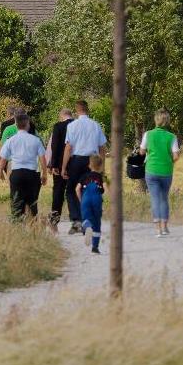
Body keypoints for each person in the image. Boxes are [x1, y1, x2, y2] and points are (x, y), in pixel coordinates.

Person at [61, 101, 107, 235]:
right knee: (89, 190)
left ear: (76, 111)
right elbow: (102, 148)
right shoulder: (96, 125)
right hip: (92, 160)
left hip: (77, 160)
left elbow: (68, 147)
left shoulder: (72, 125)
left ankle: (76, 220)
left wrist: (64, 167)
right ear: (88, 110)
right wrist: (101, 166)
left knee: (71, 190)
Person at [0, 114, 48, 219]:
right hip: (32, 174)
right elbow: (42, 158)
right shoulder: (35, 140)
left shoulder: (11, 140)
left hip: (17, 173)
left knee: (16, 200)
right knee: (32, 201)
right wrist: (44, 174)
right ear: (27, 125)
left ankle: (17, 223)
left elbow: (3, 158)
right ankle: (32, 223)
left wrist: (0, 171)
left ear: (16, 125)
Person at [140, 109, 180, 237]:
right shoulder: (172, 137)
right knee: (164, 198)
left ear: (156, 120)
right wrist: (169, 161)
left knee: (155, 198)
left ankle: (157, 229)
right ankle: (164, 226)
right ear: (167, 121)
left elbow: (142, 151)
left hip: (151, 170)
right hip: (166, 171)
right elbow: (176, 156)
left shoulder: (148, 134)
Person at [46, 109, 75, 229]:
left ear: (61, 116)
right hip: (75, 163)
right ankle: (75, 219)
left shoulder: (58, 126)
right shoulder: (76, 125)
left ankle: (54, 220)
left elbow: (55, 146)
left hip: (59, 164)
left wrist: (53, 165)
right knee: (73, 191)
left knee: (58, 192)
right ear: (71, 115)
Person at [76, 155, 108, 254]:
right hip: (97, 199)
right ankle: (95, 248)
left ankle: (87, 226)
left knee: (86, 219)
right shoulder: (102, 177)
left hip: (86, 199)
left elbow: (77, 189)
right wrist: (106, 201)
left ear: (89, 165)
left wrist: (81, 200)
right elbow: (107, 189)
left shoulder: (84, 176)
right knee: (97, 223)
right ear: (101, 166)